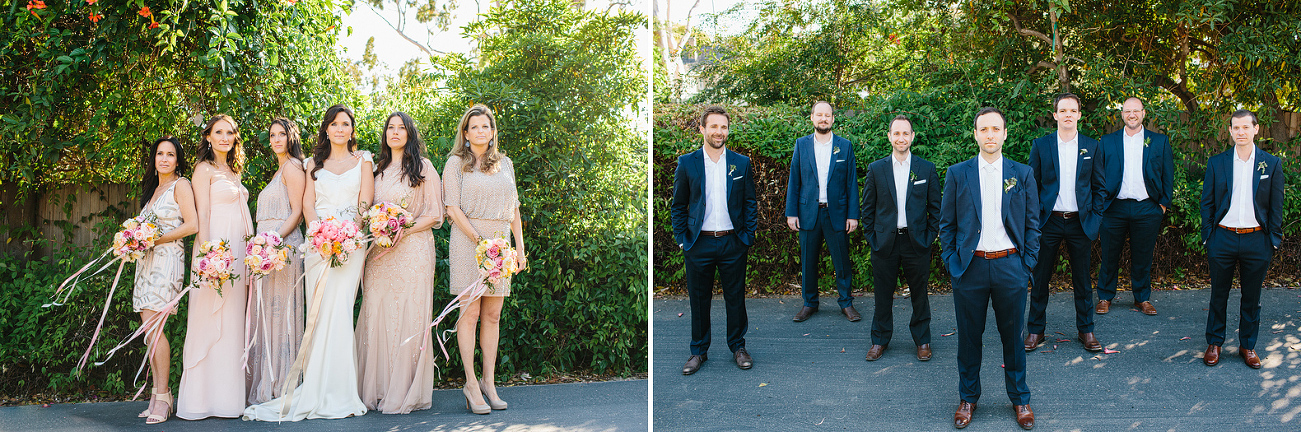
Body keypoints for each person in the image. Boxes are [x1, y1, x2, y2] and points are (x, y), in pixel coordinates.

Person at [243, 104, 371, 421]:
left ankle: (340, 391)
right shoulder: (313, 163)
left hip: (351, 246)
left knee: (339, 311)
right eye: (334, 124)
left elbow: (365, 204)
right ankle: (317, 387)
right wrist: (319, 235)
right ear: (326, 129)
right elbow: (308, 204)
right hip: (318, 245)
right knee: (320, 312)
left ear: (352, 130)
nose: (340, 129)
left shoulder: (363, 160)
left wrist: (346, 236)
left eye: (345, 124)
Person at [939, 107, 1040, 430]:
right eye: (984, 129)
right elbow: (947, 225)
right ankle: (968, 398)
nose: (990, 135)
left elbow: (1033, 224)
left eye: (996, 129)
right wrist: (953, 264)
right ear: (976, 134)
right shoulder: (958, 173)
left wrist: (1026, 265)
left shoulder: (1021, 174)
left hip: (1011, 265)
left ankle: (1020, 398)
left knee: (1013, 337)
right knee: (969, 338)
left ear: (1005, 133)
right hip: (970, 268)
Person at [356, 112, 444, 413]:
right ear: (385, 135)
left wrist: (402, 228)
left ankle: (405, 391)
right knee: (377, 314)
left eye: (401, 128)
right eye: (390, 128)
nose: (395, 132)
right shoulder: (376, 171)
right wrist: (379, 228)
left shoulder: (424, 168)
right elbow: (366, 210)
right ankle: (378, 389)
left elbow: (435, 214)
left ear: (409, 134)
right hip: (379, 255)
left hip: (413, 251)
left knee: (409, 314)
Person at [443, 104, 527, 414]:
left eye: (485, 126)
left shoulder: (505, 163)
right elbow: (452, 208)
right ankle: (470, 383)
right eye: (474, 127)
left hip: (501, 245)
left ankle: (489, 382)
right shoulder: (455, 164)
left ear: (492, 132)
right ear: (465, 134)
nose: (481, 131)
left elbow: (514, 208)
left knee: (493, 315)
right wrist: (481, 242)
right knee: (470, 314)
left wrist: (518, 250)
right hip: (469, 242)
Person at [671, 105, 758, 375]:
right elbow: (678, 205)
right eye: (714, 127)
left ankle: (738, 347)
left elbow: (749, 202)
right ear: (702, 129)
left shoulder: (740, 163)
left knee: (736, 297)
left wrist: (747, 237)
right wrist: (684, 240)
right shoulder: (688, 163)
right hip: (699, 243)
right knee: (699, 299)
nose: (719, 132)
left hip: (733, 241)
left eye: (723, 127)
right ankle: (698, 351)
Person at [177, 115, 252, 420]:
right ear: (208, 137)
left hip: (237, 253)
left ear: (235, 138)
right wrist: (208, 258)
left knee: (232, 323)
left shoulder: (233, 170)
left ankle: (227, 401)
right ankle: (199, 401)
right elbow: (202, 216)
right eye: (218, 132)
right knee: (207, 319)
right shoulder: (202, 169)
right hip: (216, 253)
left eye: (229, 133)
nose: (224, 137)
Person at [1198, 109, 1283, 369]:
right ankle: (1214, 343)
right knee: (1218, 294)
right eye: (1236, 128)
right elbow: (1207, 203)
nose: (1241, 132)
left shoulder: (1271, 163)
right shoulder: (1217, 162)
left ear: (1256, 129)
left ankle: (1248, 345)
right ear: (1231, 131)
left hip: (1257, 240)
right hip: (1222, 238)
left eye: (1246, 127)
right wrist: (1208, 236)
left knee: (1252, 296)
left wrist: (1273, 240)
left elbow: (1276, 205)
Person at [1025, 94, 1107, 353]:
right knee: (1040, 279)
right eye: (1063, 110)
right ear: (1055, 115)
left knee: (1083, 280)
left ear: (1079, 115)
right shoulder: (1041, 145)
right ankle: (1036, 330)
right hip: (1048, 221)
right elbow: (1032, 186)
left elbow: (1100, 188)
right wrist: (1035, 218)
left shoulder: (1092, 147)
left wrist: (1094, 218)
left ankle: (1087, 330)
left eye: (1073, 110)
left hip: (1079, 222)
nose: (1068, 114)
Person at [860, 114, 939, 361]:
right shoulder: (876, 169)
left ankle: (923, 340)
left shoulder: (926, 168)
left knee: (920, 294)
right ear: (889, 137)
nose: (901, 138)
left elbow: (936, 208)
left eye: (906, 133)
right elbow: (867, 209)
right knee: (882, 294)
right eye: (896, 133)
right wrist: (873, 238)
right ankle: (879, 340)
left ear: (912, 137)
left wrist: (929, 237)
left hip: (917, 243)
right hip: (885, 243)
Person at [132, 137, 198, 424]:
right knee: (149, 329)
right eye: (160, 154)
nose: (165, 159)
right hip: (146, 262)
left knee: (155, 327)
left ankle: (162, 396)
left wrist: (154, 239)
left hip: (167, 260)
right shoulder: (153, 189)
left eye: (170, 154)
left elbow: (192, 224)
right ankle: (161, 395)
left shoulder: (180, 185)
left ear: (177, 160)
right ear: (154, 158)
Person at [246, 118, 306, 405]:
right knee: (269, 315)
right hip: (267, 252)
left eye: (282, 134)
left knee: (282, 315)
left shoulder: (293, 166)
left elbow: (297, 213)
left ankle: (284, 383)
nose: (276, 139)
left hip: (283, 249)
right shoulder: (278, 170)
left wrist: (271, 240)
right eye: (272, 135)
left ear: (291, 137)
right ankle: (270, 379)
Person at [1096, 97, 1173, 316]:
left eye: (1136, 111)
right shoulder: (1108, 141)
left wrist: (1163, 205)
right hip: (1114, 208)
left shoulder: (1159, 141)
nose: (1132, 115)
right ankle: (1105, 297)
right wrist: (1101, 203)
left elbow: (1168, 174)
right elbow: (1098, 174)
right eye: (1127, 111)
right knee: (1109, 254)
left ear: (1143, 113)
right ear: (1122, 114)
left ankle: (1142, 298)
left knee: (1143, 255)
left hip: (1147, 208)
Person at [785, 101, 860, 322]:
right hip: (808, 212)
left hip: (836, 213)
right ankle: (810, 303)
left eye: (827, 115)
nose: (823, 119)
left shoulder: (844, 146)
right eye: (819, 115)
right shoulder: (802, 145)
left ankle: (846, 303)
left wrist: (853, 215)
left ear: (833, 119)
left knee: (842, 262)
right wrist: (791, 213)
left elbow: (851, 182)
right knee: (808, 261)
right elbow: (794, 180)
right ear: (812, 118)